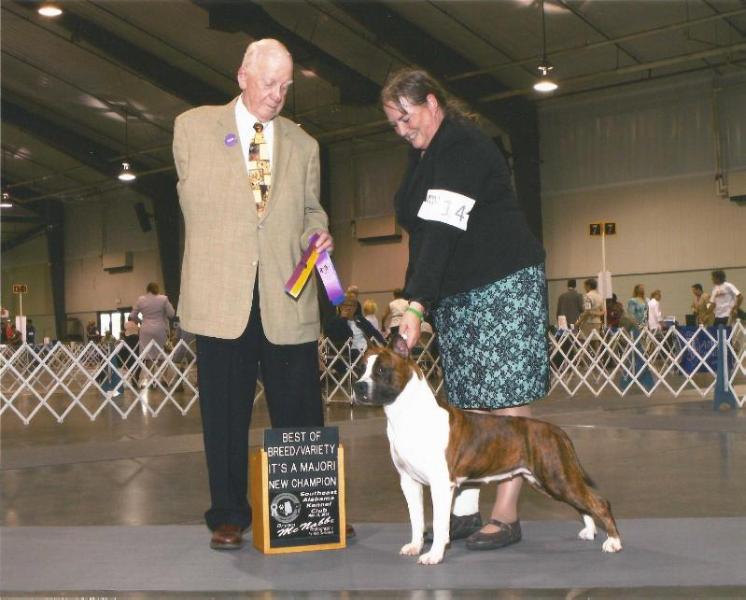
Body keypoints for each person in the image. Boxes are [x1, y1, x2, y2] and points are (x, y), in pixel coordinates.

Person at [173, 38, 336, 551]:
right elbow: (196, 202)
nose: (277, 95)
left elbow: (312, 210)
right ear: (242, 75)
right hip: (222, 297)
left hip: (286, 295)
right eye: (269, 83)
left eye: (286, 86)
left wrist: (320, 232)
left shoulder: (306, 145)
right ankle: (228, 515)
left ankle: (311, 511)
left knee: (301, 410)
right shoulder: (193, 127)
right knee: (223, 415)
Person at [382, 68, 547, 551]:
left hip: (504, 279)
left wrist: (416, 303)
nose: (401, 130)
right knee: (471, 398)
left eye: (405, 117)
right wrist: (417, 298)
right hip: (461, 290)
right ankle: (466, 509)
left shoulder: (464, 146)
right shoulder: (426, 155)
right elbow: (420, 231)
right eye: (393, 123)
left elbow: (441, 232)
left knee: (508, 398)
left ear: (432, 103)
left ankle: (507, 512)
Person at [132, 282, 175, 387]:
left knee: (148, 356)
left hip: (145, 330)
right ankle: (164, 380)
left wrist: (141, 321)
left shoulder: (141, 300)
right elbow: (171, 314)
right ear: (157, 289)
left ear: (147, 289)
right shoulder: (163, 299)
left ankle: (152, 380)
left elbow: (133, 315)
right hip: (160, 330)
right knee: (162, 355)